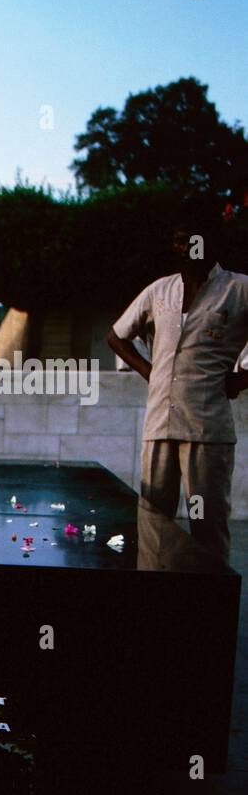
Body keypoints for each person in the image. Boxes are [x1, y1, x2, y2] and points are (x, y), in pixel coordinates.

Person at [106, 204, 248, 566]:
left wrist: (241, 378)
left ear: (212, 242)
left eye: (194, 239)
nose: (188, 247)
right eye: (180, 241)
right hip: (159, 426)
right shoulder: (159, 291)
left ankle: (209, 604)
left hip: (205, 431)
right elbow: (118, 336)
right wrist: (151, 371)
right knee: (153, 517)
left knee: (205, 520)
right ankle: (154, 598)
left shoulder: (238, 289)